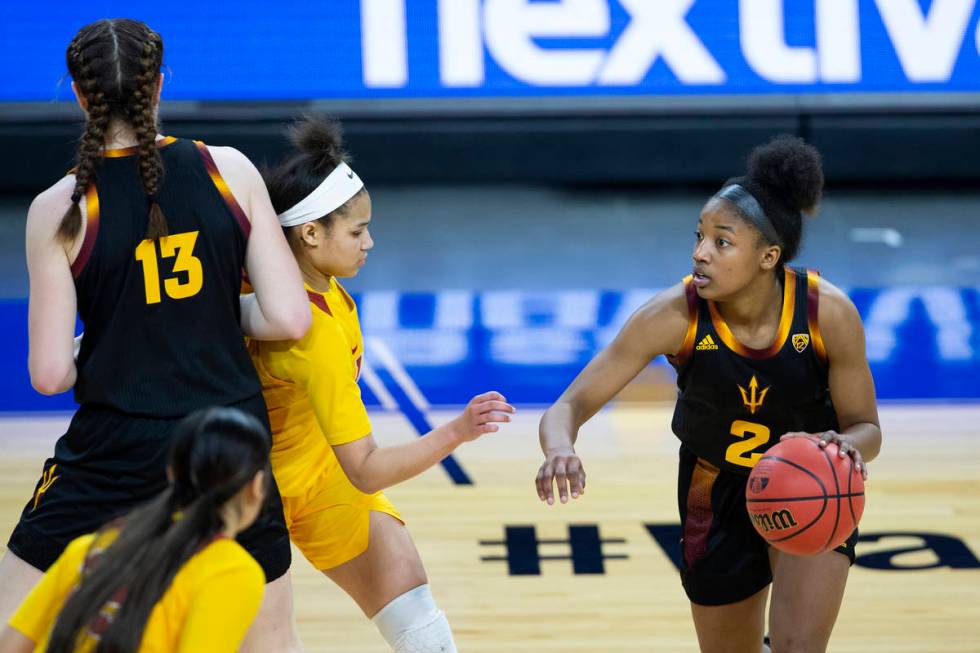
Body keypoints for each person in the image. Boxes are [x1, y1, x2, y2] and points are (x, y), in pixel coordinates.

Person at [0, 18, 311, 625]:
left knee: (15, 628)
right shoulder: (229, 168)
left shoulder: (58, 208)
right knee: (270, 640)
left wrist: (127, 328)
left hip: (116, 446)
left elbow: (49, 373)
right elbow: (287, 317)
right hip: (230, 437)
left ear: (79, 94)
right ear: (159, 86)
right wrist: (205, 315)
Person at [534, 136, 881, 653]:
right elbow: (570, 404)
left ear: (768, 256)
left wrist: (846, 444)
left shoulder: (826, 312)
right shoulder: (674, 314)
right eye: (699, 236)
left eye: (722, 241)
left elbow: (867, 428)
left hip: (811, 487)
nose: (700, 252)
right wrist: (560, 447)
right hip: (715, 490)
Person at [241, 114, 514, 653]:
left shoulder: (293, 276)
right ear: (311, 232)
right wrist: (456, 431)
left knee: (413, 605)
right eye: (358, 230)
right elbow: (366, 470)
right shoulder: (309, 336)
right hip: (247, 497)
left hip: (317, 474)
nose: (370, 242)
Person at [0, 406, 273, 653]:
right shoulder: (231, 571)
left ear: (170, 473)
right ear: (258, 485)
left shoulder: (90, 548)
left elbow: (11, 646)